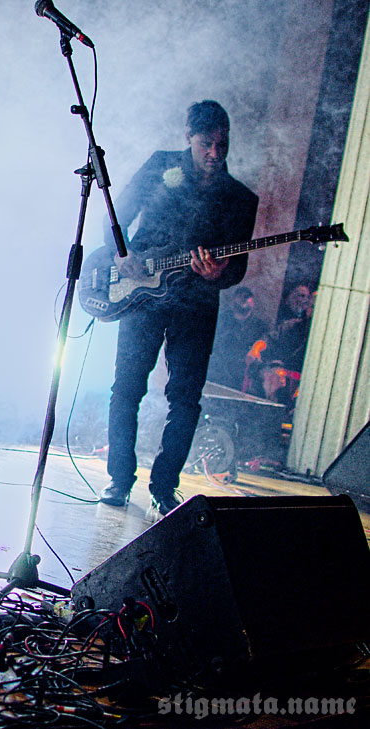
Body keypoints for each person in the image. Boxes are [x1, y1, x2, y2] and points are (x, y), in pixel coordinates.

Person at [100, 101, 258, 517]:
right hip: (141, 295)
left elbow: (237, 268)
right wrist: (121, 254)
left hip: (197, 304)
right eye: (207, 144)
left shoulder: (240, 198)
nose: (215, 153)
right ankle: (119, 479)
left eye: (222, 144)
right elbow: (116, 215)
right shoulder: (160, 166)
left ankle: (165, 486)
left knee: (186, 399)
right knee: (126, 388)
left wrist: (218, 274)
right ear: (189, 137)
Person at [207, 286, 268, 390]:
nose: (243, 299)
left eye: (247, 296)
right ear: (233, 300)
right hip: (217, 373)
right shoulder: (221, 319)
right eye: (240, 296)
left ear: (253, 302)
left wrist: (255, 350)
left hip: (241, 378)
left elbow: (265, 341)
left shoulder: (260, 326)